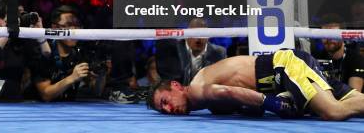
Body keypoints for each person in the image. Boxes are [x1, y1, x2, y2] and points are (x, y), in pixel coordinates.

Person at [147, 49, 364, 121]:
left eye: (165, 101)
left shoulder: (197, 90)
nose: (168, 109)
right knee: (354, 103)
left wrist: (277, 105)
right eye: (162, 109)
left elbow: (231, 91)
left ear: (176, 85)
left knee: (333, 112)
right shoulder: (207, 104)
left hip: (285, 67)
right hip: (284, 77)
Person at [33, 5, 109, 101]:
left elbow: (97, 91)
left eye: (77, 25)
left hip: (68, 110)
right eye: (68, 25)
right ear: (55, 28)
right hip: (36, 110)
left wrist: (102, 75)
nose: (74, 30)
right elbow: (45, 95)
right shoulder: (44, 51)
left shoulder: (80, 53)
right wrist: (72, 78)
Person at [154, 18, 226, 85]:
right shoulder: (174, 49)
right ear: (186, 35)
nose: (198, 39)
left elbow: (220, 79)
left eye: (203, 34)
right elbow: (168, 80)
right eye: (195, 34)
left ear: (208, 36)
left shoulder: (219, 52)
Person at [316, 13, 364, 92]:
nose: (328, 39)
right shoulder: (316, 58)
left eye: (333, 34)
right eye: (324, 34)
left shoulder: (355, 59)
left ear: (343, 36)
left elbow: (354, 94)